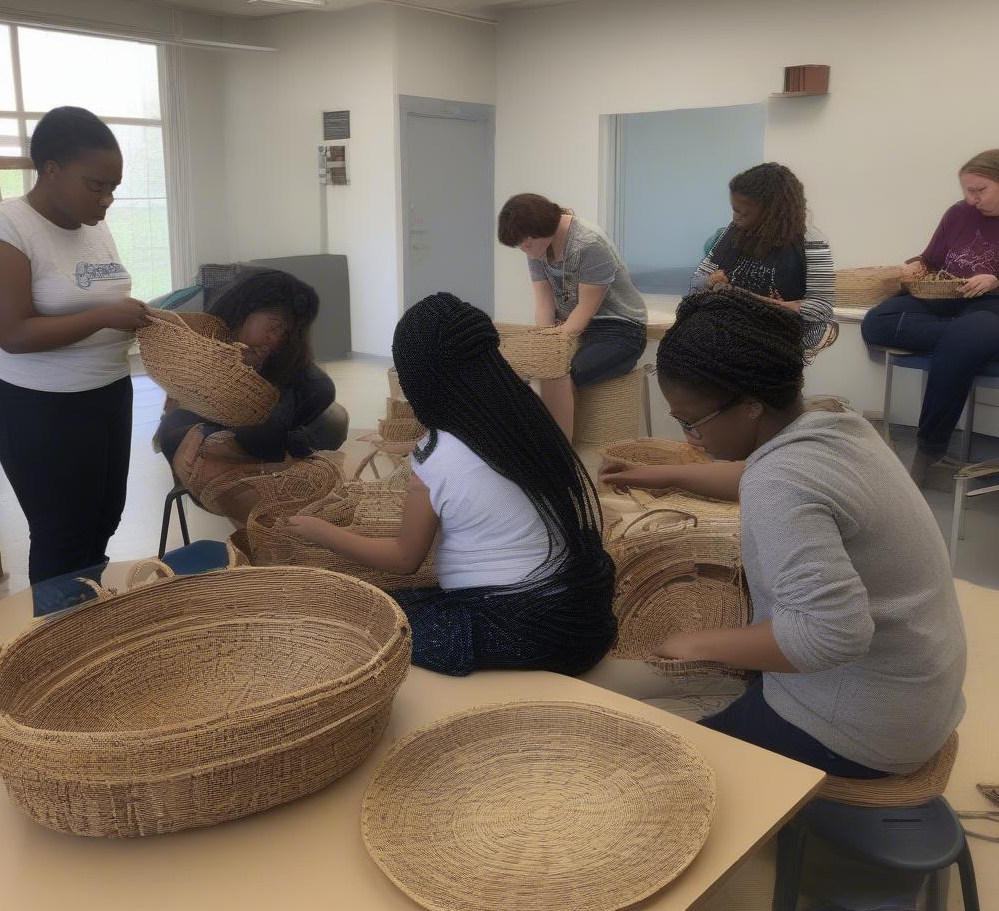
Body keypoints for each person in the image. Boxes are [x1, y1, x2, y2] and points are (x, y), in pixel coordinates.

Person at [602, 286, 965, 777]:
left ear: (750, 405)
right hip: (921, 691)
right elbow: (768, 475)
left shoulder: (780, 481)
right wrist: (663, 475)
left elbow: (832, 635)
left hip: (865, 726)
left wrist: (695, 643)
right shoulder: (834, 421)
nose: (689, 438)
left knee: (655, 761)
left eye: (691, 423)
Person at [288, 292, 617, 677]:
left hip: (517, 630)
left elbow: (404, 560)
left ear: (417, 382)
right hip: (583, 622)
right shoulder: (535, 419)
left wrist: (319, 531)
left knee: (367, 617)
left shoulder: (435, 454)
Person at [0, 106, 150, 602]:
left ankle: (85, 618)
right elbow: (13, 333)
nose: (107, 199)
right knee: (62, 530)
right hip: (38, 404)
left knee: (103, 516)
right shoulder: (4, 228)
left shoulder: (90, 222)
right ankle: (55, 642)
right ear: (50, 171)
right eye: (95, 185)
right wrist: (104, 318)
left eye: (113, 187)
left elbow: (99, 296)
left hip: (107, 390)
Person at [154, 269, 348, 525]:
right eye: (274, 327)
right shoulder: (202, 349)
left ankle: (267, 460)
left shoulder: (285, 365)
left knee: (332, 413)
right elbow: (174, 424)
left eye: (284, 333)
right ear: (243, 313)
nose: (276, 339)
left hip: (260, 443)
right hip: (211, 437)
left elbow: (301, 407)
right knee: (185, 430)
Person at [861, 149, 999, 482]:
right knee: (876, 322)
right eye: (967, 190)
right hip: (946, 301)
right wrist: (915, 266)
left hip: (992, 304)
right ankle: (964, 338)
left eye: (979, 190)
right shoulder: (958, 213)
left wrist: (995, 280)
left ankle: (930, 449)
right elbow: (931, 260)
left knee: (963, 339)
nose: (971, 199)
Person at [497, 193, 648, 439]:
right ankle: (531, 441)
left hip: (620, 328)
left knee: (557, 371)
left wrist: (551, 352)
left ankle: (559, 451)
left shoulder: (588, 244)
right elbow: (544, 304)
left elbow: (584, 312)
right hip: (573, 325)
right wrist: (545, 341)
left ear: (538, 231)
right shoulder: (537, 249)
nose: (523, 250)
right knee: (523, 367)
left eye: (525, 243)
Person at [691, 162, 836, 351]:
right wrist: (710, 281)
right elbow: (695, 283)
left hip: (777, 347)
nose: (735, 219)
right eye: (734, 209)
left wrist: (753, 300)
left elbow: (822, 308)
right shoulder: (733, 232)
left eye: (743, 212)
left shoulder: (812, 243)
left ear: (771, 212)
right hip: (726, 339)